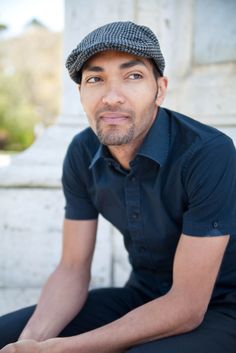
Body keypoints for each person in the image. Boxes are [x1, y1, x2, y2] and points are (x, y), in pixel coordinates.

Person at [0, 21, 236, 353]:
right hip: (139, 296)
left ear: (161, 89)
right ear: (80, 93)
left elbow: (187, 305)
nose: (112, 97)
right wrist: (32, 342)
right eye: (95, 79)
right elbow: (71, 268)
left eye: (133, 76)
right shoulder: (81, 153)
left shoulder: (207, 152)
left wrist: (62, 349)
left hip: (219, 307)